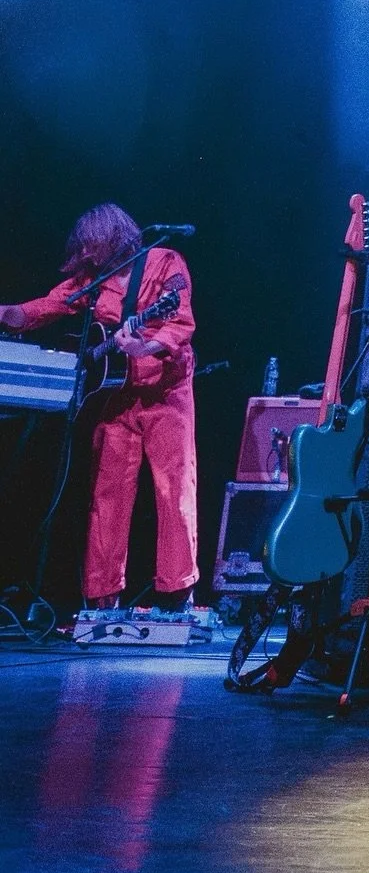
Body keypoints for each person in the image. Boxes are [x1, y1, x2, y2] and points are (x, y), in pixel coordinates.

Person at [0, 204, 199, 612]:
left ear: (112, 237)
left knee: (174, 489)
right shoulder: (94, 280)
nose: (88, 256)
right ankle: (101, 597)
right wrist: (7, 314)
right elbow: (45, 307)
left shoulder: (165, 261)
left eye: (93, 247)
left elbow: (179, 322)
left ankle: (178, 593)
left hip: (167, 392)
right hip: (117, 396)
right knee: (107, 496)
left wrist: (143, 345)